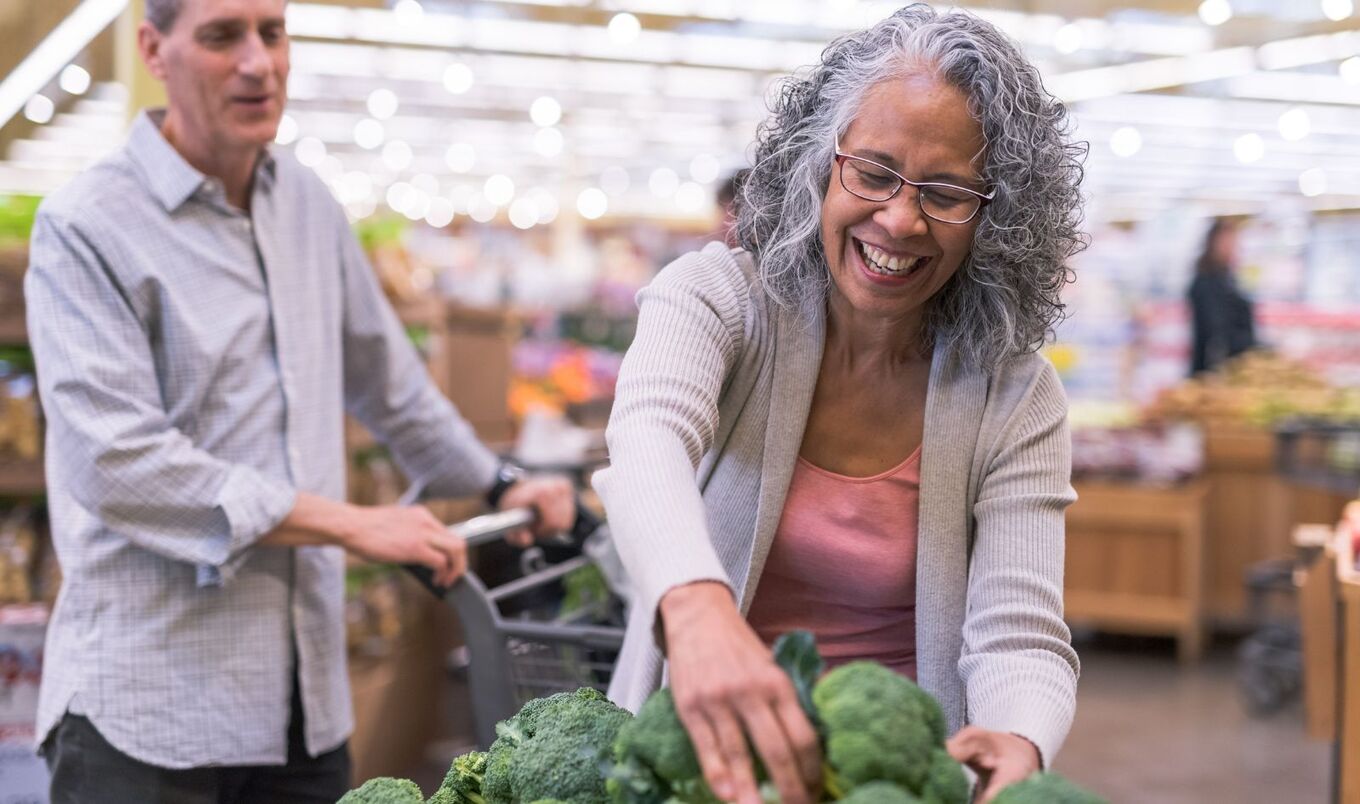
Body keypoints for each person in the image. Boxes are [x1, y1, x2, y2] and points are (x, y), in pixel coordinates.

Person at [25, 1, 573, 801]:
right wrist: (355, 524)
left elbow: (391, 385)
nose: (259, 62)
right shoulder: (85, 227)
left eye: (272, 32)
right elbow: (116, 465)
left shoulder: (307, 205)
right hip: (145, 714)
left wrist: (500, 483)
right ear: (153, 49)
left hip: (301, 708)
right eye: (222, 36)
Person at [593, 5, 1086, 804]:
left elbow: (1019, 630)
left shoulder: (1014, 394)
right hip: (703, 766)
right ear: (820, 164)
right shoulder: (719, 301)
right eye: (875, 172)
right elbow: (648, 441)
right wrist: (694, 608)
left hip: (896, 779)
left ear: (997, 218)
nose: (900, 218)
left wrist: (1018, 734)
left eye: (947, 192)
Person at [1188, 218, 1257, 375]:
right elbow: (1214, 329)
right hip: (1217, 364)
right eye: (1227, 242)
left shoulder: (1228, 278)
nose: (1231, 247)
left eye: (1234, 242)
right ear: (1213, 242)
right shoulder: (1206, 281)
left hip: (1235, 361)